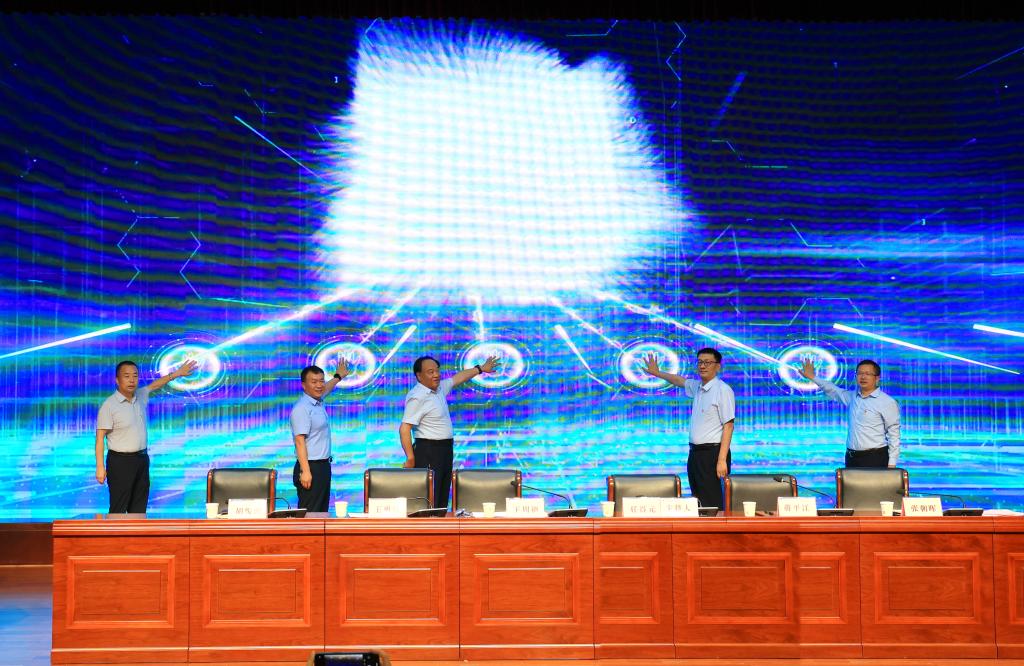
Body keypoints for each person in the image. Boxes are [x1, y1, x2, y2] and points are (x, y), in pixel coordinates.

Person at [95, 358, 198, 513]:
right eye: (126, 376)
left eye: (135, 376)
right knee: (118, 507)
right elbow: (99, 439)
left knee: (139, 506)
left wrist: (177, 373)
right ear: (117, 380)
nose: (131, 380)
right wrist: (100, 467)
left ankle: (136, 529)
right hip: (120, 462)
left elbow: (155, 385)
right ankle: (117, 529)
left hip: (142, 460)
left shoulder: (141, 395)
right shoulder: (109, 405)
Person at [399, 355, 499, 509]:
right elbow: (404, 428)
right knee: (430, 499)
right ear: (419, 376)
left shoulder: (438, 389)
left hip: (444, 450)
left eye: (437, 371)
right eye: (430, 372)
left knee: (442, 497)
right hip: (428, 451)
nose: (436, 375)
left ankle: (441, 522)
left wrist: (480, 369)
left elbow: (457, 378)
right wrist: (411, 458)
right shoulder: (417, 397)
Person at [644, 347, 735, 510]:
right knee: (698, 500)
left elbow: (728, 426)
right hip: (695, 453)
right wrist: (657, 373)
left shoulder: (722, 390)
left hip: (713, 454)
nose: (703, 366)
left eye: (707, 362)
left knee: (712, 502)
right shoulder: (698, 387)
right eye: (700, 362)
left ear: (718, 366)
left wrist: (721, 460)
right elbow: (679, 381)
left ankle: (715, 526)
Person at [800, 358, 901, 468]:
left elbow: (894, 434)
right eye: (860, 373)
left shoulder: (887, 402)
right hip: (851, 457)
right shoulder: (852, 397)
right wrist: (812, 377)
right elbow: (833, 390)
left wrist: (892, 463)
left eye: (868, 374)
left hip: (875, 457)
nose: (863, 377)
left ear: (877, 378)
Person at [289, 359, 350, 512]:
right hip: (310, 467)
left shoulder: (317, 401)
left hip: (323, 466)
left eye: (321, 381)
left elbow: (326, 389)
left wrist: (338, 376)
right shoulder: (302, 408)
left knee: (321, 512)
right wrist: (305, 471)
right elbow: (299, 441)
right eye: (314, 382)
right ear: (304, 385)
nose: (319, 385)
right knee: (310, 513)